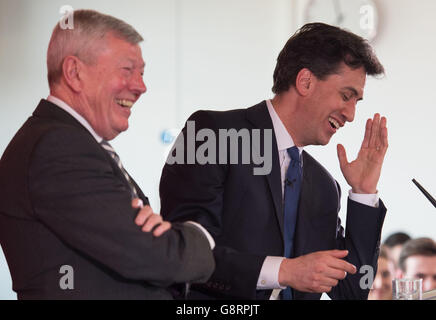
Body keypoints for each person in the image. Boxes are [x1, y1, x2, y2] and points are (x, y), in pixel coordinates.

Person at [160, 23, 388, 300]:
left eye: (357, 101)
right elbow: (185, 250)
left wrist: (364, 194)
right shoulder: (213, 134)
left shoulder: (326, 186)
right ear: (305, 82)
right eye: (346, 95)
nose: (351, 115)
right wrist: (284, 271)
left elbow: (354, 290)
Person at [0, 9, 215, 299]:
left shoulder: (66, 142)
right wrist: (197, 234)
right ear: (75, 73)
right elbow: (157, 257)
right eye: (127, 70)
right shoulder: (57, 147)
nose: (141, 86)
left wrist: (167, 237)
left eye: (142, 72)